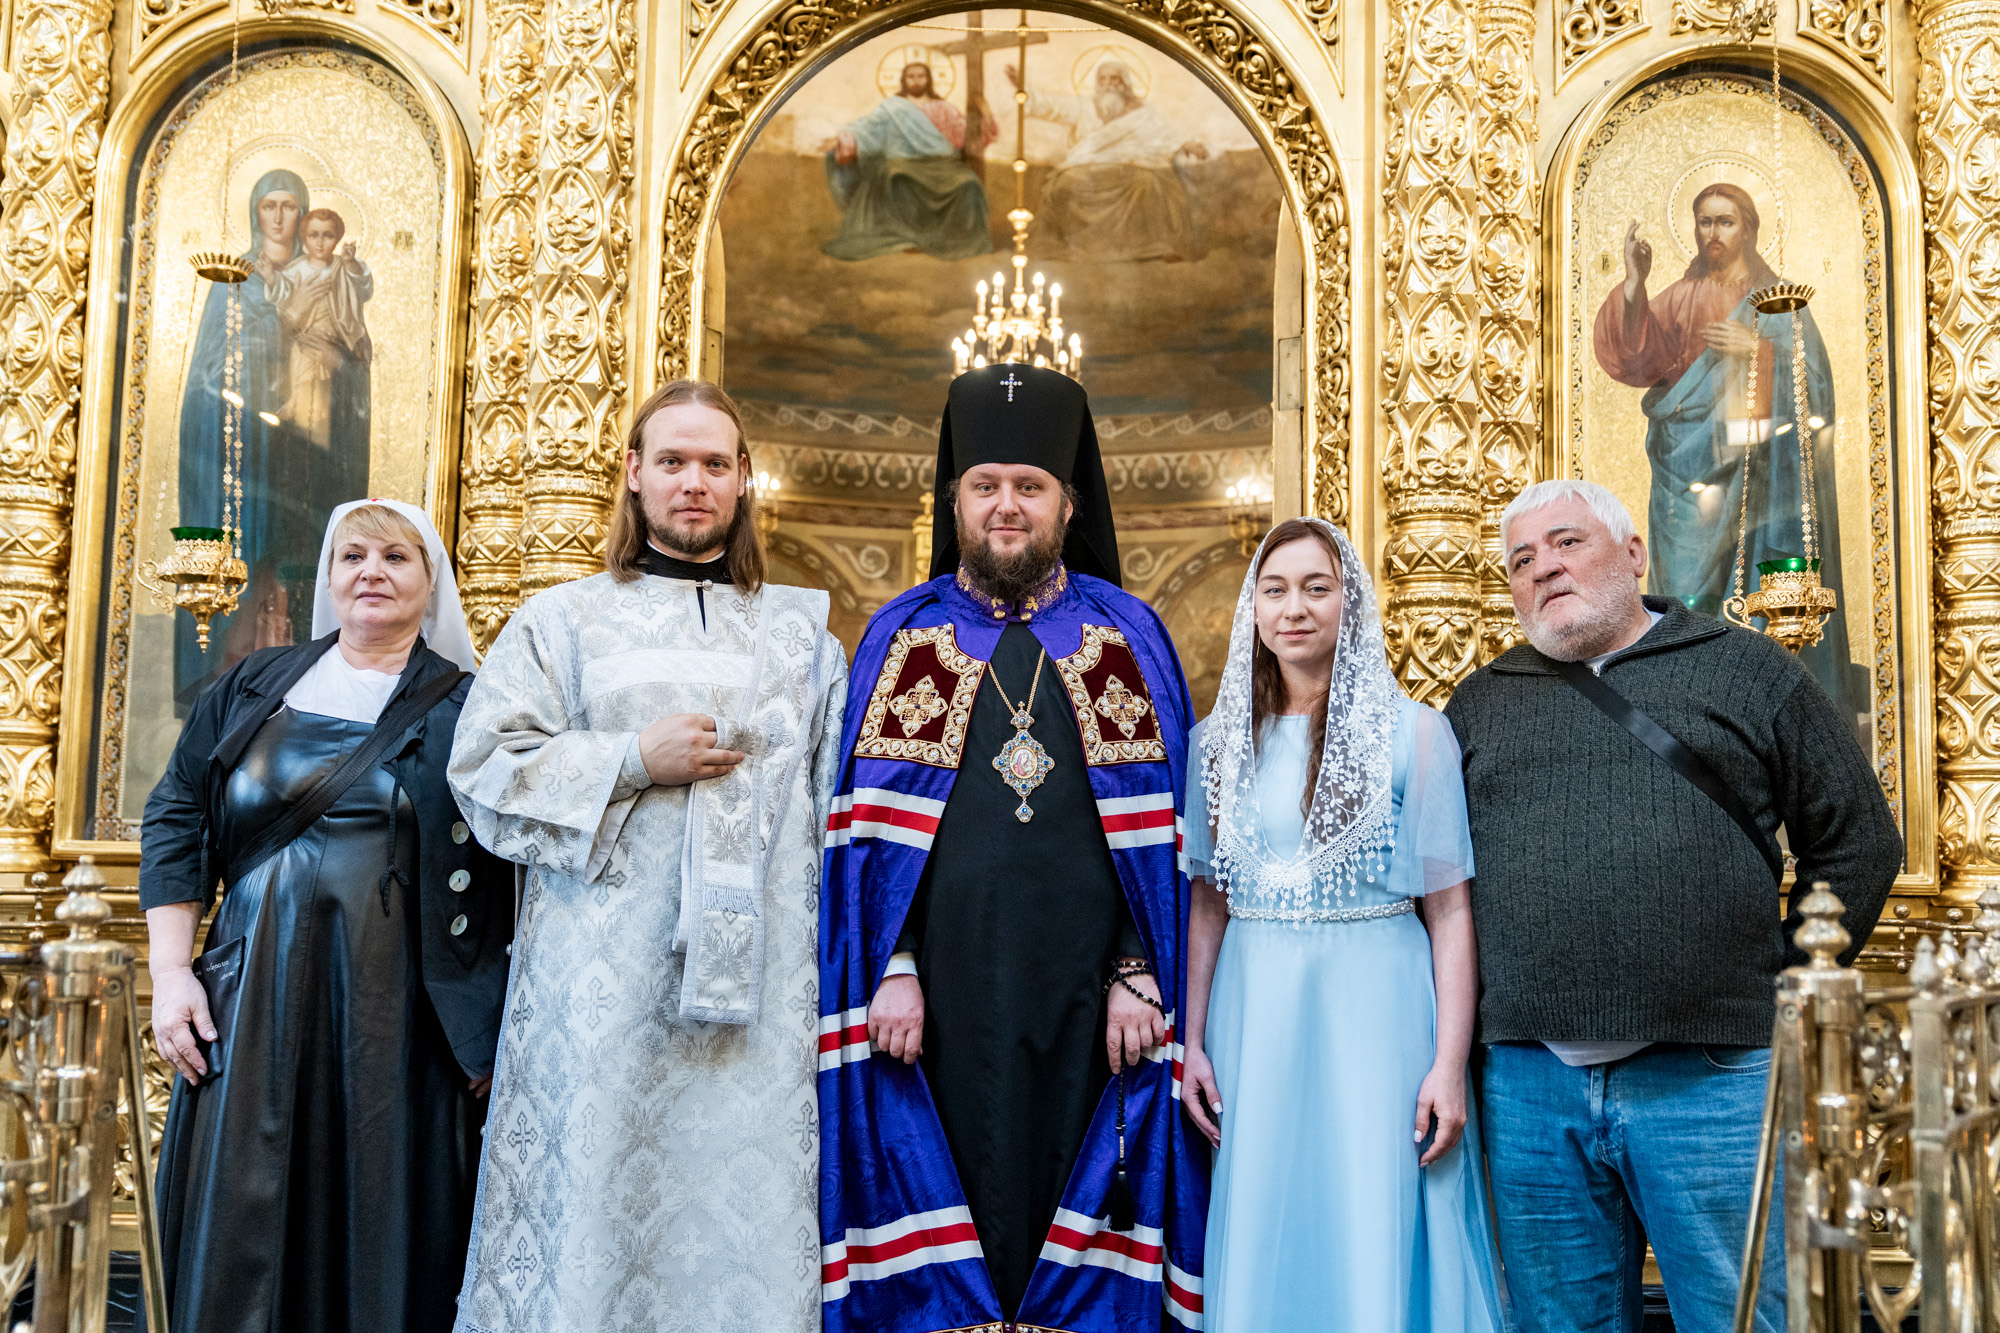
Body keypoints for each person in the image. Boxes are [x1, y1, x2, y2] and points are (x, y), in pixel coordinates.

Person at [1443, 478, 1903, 1333]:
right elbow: (1441, 889)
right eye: (1521, 559)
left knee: (1744, 1319)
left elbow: (1859, 839)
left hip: (1715, 1076)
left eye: (1567, 542)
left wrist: (1787, 977)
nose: (1544, 567)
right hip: (1531, 1085)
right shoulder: (1480, 702)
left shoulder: (1748, 668)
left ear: (1633, 555)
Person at [449, 379, 847, 1333]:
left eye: (714, 463)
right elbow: (483, 770)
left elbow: (841, 815)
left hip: (765, 1012)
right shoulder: (563, 621)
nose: (693, 482)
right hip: (601, 1001)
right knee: (601, 1225)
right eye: (672, 461)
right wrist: (632, 760)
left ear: (744, 478)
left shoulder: (806, 637)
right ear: (633, 473)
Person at [819, 363, 1206, 1333]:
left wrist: (1137, 970)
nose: (1006, 506)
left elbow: (1170, 839)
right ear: (953, 500)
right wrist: (893, 966)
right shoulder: (901, 638)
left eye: (1028, 487)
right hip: (935, 1000)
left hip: (1094, 999)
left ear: (1067, 503)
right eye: (985, 485)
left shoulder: (1127, 636)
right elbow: (862, 847)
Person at [140, 498, 502, 1333]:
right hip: (250, 999)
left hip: (398, 1016)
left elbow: (508, 871)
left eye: (396, 557)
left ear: (431, 582)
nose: (372, 572)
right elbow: (177, 816)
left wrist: (486, 1019)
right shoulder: (251, 685)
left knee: (376, 1215)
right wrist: (170, 972)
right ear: (330, 577)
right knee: (244, 1209)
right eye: (353, 556)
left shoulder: (470, 708)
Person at [1179, 516, 1505, 1330]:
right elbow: (1208, 903)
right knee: (1268, 1206)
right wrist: (1193, 1042)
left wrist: (1449, 1064)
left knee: (1375, 1201)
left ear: (1350, 603)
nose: (1294, 608)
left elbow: (1450, 910)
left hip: (1380, 1011)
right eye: (1275, 589)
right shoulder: (1213, 745)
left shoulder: (1416, 733)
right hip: (1256, 1013)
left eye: (1316, 588)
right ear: (1253, 609)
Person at [1592, 182, 1864, 728]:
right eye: (1705, 221)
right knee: (1685, 591)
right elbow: (1634, 358)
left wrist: (1758, 351)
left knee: (1757, 584)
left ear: (1749, 229)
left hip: (1760, 475)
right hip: (1685, 476)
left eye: (1725, 221)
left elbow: (1817, 391)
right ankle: (1685, 702)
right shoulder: (1680, 297)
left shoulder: (1779, 301)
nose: (1713, 233)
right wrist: (1636, 283)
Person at [176, 170, 370, 706]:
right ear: (255, 212)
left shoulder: (332, 277)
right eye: (270, 206)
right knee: (246, 562)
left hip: (306, 454)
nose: (280, 218)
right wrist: (272, 338)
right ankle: (226, 687)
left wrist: (339, 366)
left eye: (289, 206)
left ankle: (292, 687)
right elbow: (207, 378)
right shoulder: (237, 279)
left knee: (293, 568)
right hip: (243, 453)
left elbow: (354, 357)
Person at [1006, 57, 1209, 262]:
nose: (1108, 84)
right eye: (1102, 79)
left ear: (1124, 82)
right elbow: (1052, 106)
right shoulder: (1084, 106)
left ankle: (1147, 247)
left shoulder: (1143, 112)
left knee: (1147, 183)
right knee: (1064, 184)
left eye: (1114, 79)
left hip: (1133, 165)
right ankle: (1074, 245)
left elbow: (1166, 134)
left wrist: (1188, 144)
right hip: (1088, 165)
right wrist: (1023, 88)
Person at [820, 60, 998, 261]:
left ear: (928, 80)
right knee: (896, 177)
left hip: (940, 164)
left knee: (969, 183)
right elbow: (867, 127)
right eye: (911, 77)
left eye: (921, 76)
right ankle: (906, 237)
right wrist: (841, 138)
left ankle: (961, 239)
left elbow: (964, 134)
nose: (916, 81)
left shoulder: (944, 108)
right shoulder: (892, 107)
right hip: (901, 161)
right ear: (904, 80)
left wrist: (985, 114)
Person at [275, 207, 374, 448]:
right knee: (302, 363)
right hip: (305, 340)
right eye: (313, 235)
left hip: (339, 343)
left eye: (327, 235)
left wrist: (350, 262)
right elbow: (280, 308)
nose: (320, 243)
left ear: (337, 239)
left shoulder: (344, 266)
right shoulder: (295, 269)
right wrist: (295, 309)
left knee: (326, 411)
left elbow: (362, 283)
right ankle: (295, 401)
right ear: (304, 238)